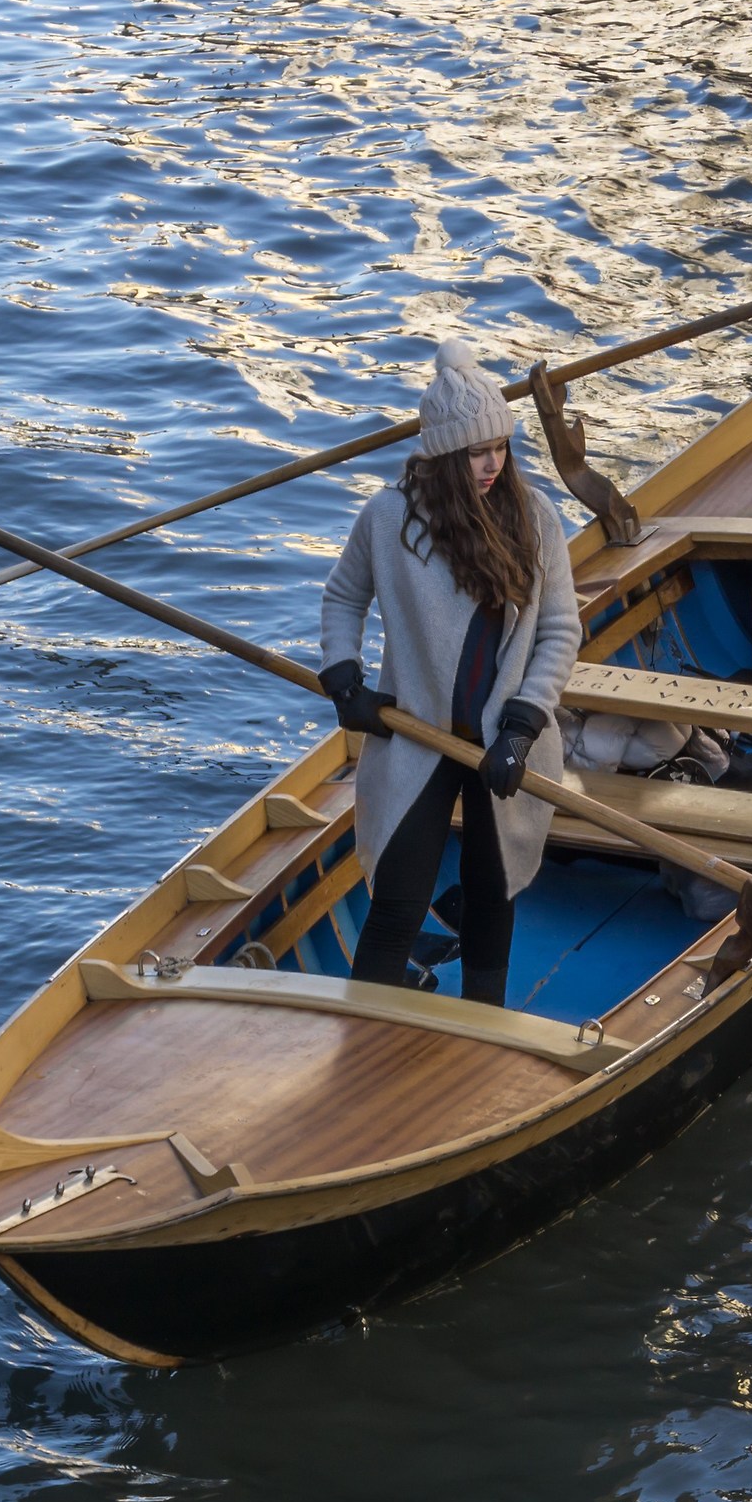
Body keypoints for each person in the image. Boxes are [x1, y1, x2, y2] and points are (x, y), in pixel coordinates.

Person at [317, 340, 580, 1008]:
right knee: (398, 900)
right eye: (474, 451)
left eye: (499, 447)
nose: (492, 464)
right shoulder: (387, 518)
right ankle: (364, 1032)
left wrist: (521, 727)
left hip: (504, 746)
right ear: (440, 454)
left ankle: (483, 1023)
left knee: (494, 893)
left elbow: (558, 630)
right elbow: (344, 596)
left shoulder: (536, 518)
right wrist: (344, 679)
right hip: (417, 735)